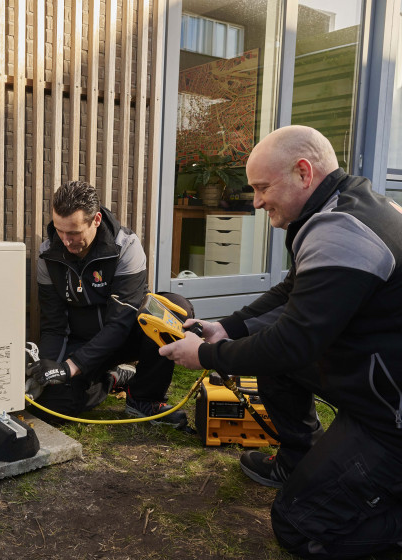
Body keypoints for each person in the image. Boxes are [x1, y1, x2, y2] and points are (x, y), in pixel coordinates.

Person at [159, 125, 402, 559]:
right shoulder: (348, 208)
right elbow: (292, 293)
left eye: (262, 187)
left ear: (303, 173)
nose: (255, 201)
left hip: (390, 415)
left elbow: (292, 344)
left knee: (301, 526)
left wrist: (206, 354)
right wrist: (228, 327)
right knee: (274, 365)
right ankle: (299, 458)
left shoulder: (342, 230)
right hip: (376, 378)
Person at [27, 180, 193, 428]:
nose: (65, 240)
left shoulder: (126, 246)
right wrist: (52, 370)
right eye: (59, 230)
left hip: (126, 337)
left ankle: (144, 398)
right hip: (82, 343)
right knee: (53, 407)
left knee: (173, 307)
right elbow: (54, 325)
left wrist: (71, 366)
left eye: (73, 233)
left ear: (95, 220)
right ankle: (113, 378)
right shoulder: (48, 255)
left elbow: (120, 323)